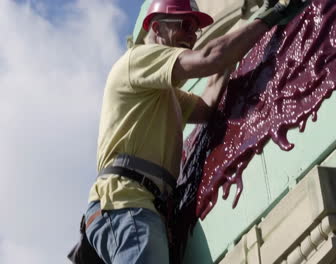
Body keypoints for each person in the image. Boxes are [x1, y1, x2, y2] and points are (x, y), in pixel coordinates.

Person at [83, 0, 307, 263]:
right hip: (126, 202)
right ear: (156, 28)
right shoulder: (137, 60)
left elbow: (206, 106)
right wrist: (269, 19)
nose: (192, 35)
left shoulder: (163, 96)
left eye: (195, 29)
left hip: (138, 206)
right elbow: (208, 58)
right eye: (185, 25)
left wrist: (234, 52)